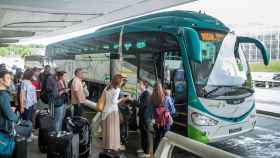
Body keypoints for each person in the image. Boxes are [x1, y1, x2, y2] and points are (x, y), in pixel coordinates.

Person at [0, 70, 32, 138]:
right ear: (1, 80)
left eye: (10, 78)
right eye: (8, 78)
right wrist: (19, 121)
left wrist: (8, 108)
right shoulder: (4, 95)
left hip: (3, 125)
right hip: (5, 127)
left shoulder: (3, 93)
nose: (10, 80)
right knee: (29, 125)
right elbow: (9, 115)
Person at [102, 74, 128, 152]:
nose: (121, 82)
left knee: (107, 129)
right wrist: (122, 99)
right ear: (118, 81)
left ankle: (106, 146)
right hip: (113, 111)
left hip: (106, 111)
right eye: (121, 81)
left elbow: (104, 97)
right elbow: (114, 102)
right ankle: (113, 146)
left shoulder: (107, 88)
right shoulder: (117, 90)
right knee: (113, 130)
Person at [151, 81, 172, 150]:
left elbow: (151, 111)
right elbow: (173, 110)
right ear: (161, 88)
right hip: (165, 122)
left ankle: (155, 153)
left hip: (157, 122)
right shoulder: (166, 98)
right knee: (165, 139)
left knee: (157, 139)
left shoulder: (151, 98)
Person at [137, 80, 152, 158]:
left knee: (146, 134)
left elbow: (143, 105)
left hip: (145, 117)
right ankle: (143, 149)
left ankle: (147, 152)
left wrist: (134, 102)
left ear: (144, 85)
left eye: (140, 84)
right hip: (142, 116)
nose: (139, 85)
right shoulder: (143, 93)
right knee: (142, 133)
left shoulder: (146, 94)